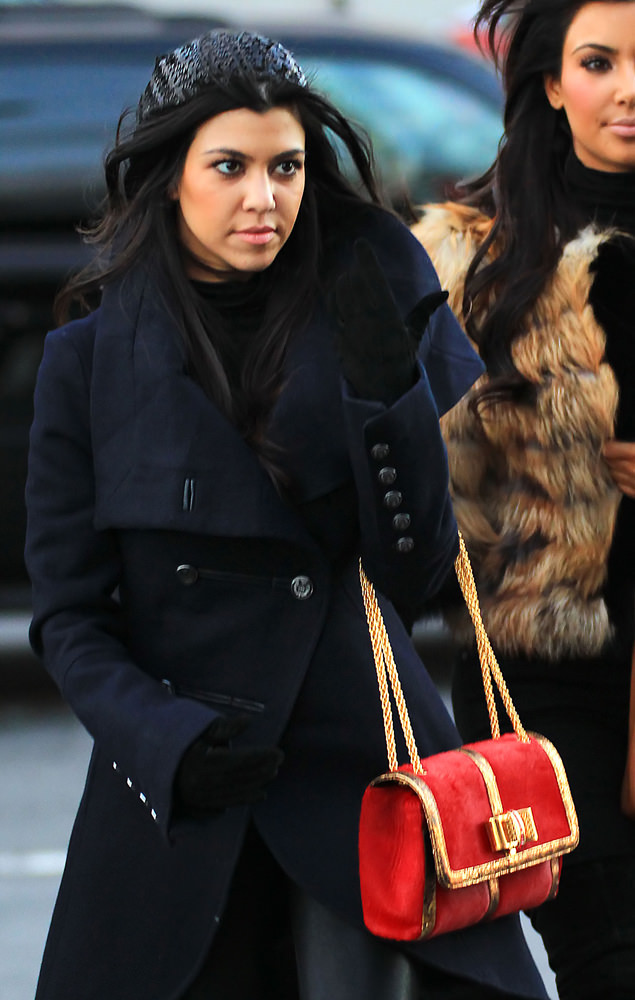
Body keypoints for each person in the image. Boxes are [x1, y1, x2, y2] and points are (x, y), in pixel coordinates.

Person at [24, 28, 549, 1000]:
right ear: (166, 175)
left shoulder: (367, 302)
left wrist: (385, 396)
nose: (261, 198)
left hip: (365, 779)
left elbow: (418, 576)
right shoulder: (90, 361)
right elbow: (68, 617)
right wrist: (164, 742)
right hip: (182, 795)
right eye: (228, 166)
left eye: (285, 167)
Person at [411, 2, 635, 998]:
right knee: (604, 961)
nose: (628, 89)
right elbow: (419, 497)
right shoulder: (470, 259)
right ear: (550, 81)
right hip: (539, 680)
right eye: (598, 62)